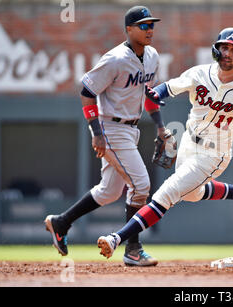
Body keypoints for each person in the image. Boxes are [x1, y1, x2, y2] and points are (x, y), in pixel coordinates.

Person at [97, 27, 233, 259]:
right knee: (192, 194)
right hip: (188, 144)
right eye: (224, 47)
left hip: (214, 154)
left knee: (167, 193)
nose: (228, 53)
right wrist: (157, 94)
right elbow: (169, 87)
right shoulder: (199, 74)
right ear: (216, 49)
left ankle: (117, 239)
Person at [44, 6, 175, 267]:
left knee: (109, 191)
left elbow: (147, 95)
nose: (150, 30)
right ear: (129, 29)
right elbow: (86, 91)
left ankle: (60, 222)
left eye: (152, 25)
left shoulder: (152, 57)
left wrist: (160, 126)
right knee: (141, 185)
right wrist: (97, 133)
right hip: (111, 129)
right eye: (143, 25)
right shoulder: (115, 58)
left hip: (132, 128)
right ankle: (133, 249)